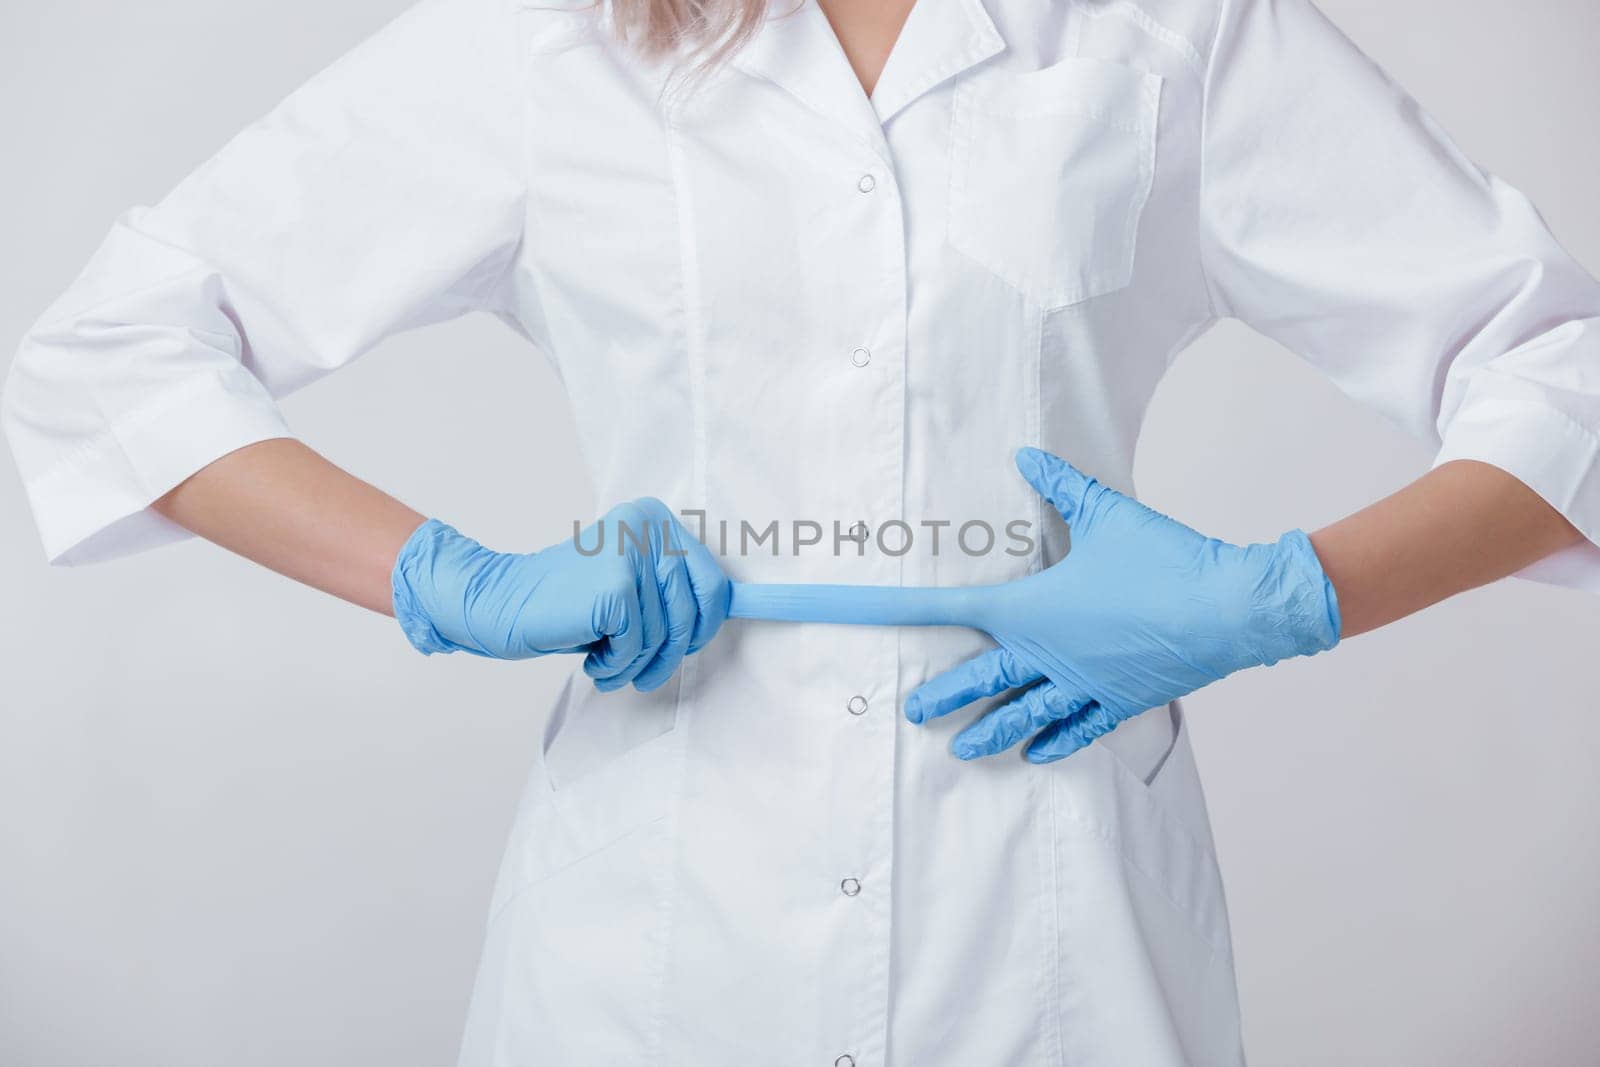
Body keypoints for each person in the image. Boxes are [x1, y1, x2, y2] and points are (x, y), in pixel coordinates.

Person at [4, 0, 1597, 1062]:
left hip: (1052, 918)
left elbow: (1563, 362)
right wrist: (443, 579)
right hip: (657, 931)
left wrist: (1285, 596)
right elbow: (118, 347)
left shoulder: (1163, 32)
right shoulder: (546, 44)